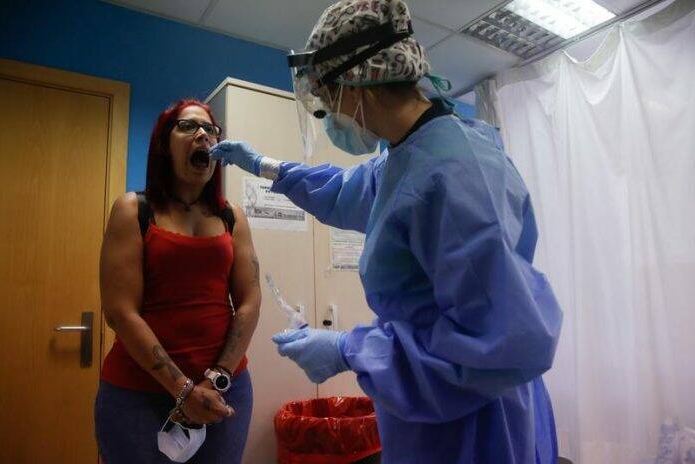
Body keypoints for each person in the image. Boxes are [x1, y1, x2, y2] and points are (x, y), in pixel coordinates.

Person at [211, 1, 563, 462]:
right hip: (427, 408)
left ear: (359, 85)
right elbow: (344, 192)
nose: (328, 113)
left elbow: (504, 342)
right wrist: (264, 166)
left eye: (327, 98)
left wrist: (350, 350)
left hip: (474, 421)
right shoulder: (406, 157)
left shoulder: (457, 172)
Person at [96, 99, 260, 463]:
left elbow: (250, 300)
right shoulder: (133, 210)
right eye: (187, 126)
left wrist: (217, 377)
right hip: (137, 392)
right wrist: (184, 390)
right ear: (163, 145)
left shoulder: (232, 217)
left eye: (211, 129)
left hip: (224, 389)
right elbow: (120, 312)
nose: (203, 134)